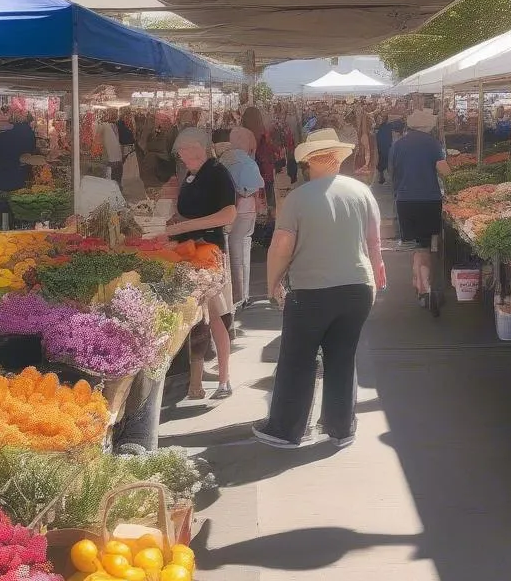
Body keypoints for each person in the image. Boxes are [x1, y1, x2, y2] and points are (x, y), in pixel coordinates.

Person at [254, 129, 386, 449]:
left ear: (310, 160)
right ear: (337, 159)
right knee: (342, 357)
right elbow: (374, 243)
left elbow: (282, 246)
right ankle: (341, 427)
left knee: (298, 358)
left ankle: (286, 428)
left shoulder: (299, 197)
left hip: (311, 290)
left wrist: (272, 283)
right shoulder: (362, 192)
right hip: (358, 287)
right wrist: (378, 278)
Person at [165, 128, 237, 401]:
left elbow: (228, 214)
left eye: (182, 150)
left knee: (216, 316)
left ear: (197, 148)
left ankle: (224, 379)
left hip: (208, 251)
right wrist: (176, 221)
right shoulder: (192, 175)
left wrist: (188, 225)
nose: (180, 156)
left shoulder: (218, 173)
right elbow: (189, 209)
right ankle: (195, 378)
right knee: (197, 316)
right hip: (187, 249)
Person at [389, 109, 451, 304]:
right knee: (425, 245)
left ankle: (418, 282)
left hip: (404, 200)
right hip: (429, 200)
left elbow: (393, 171)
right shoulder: (432, 143)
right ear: (428, 127)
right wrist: (452, 178)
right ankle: (425, 284)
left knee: (416, 245)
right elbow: (444, 170)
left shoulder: (398, 144)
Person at [216, 126, 264, 310]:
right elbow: (256, 186)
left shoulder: (224, 159)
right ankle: (243, 295)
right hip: (247, 209)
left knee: (233, 254)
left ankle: (236, 295)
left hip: (229, 210)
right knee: (244, 251)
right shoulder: (248, 161)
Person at [374, 112, 403, 185]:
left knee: (389, 163)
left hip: (387, 147)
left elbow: (398, 125)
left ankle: (393, 178)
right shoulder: (376, 127)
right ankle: (382, 177)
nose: (382, 118)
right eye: (381, 117)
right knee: (381, 163)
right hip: (380, 147)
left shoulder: (389, 125)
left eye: (384, 117)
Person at [99, 108, 124, 183]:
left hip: (112, 156)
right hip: (115, 156)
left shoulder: (105, 125)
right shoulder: (115, 125)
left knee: (112, 176)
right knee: (115, 176)